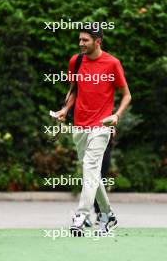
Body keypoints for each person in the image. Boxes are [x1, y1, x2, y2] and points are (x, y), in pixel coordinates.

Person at [56, 23, 131, 236]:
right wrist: (65, 109)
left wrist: (116, 115)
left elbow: (127, 94)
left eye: (85, 40)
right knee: (92, 173)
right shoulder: (76, 61)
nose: (81, 43)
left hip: (101, 126)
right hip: (79, 126)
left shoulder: (112, 63)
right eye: (80, 39)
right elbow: (73, 91)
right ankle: (109, 217)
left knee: (90, 166)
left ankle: (81, 215)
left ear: (98, 41)